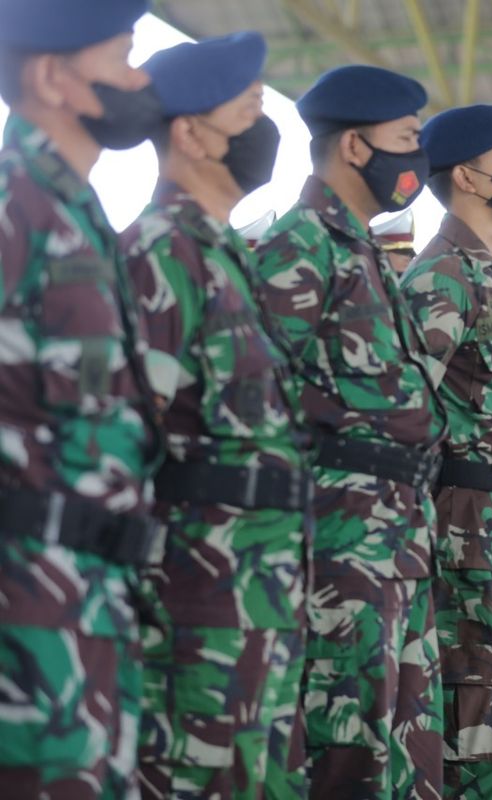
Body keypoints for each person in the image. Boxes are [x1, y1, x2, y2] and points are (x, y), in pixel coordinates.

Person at [120, 33, 310, 798]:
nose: (264, 131)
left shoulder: (222, 255)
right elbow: (128, 446)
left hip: (257, 597)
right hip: (195, 614)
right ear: (190, 133)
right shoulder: (159, 254)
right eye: (246, 111)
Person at [254, 64, 447, 798]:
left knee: (402, 751)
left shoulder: (358, 247)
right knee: (347, 748)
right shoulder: (301, 243)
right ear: (358, 149)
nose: (417, 159)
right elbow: (265, 404)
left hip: (395, 539)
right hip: (341, 547)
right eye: (406, 140)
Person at [0, 1, 164, 795]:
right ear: (51, 76)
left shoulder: (77, 213)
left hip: (91, 608)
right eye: (125, 57)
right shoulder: (12, 205)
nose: (141, 81)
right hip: (23, 624)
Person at [395, 104, 492, 799]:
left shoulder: (490, 270)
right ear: (469, 176)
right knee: (469, 741)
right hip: (467, 547)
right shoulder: (441, 274)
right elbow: (400, 411)